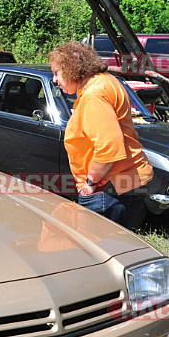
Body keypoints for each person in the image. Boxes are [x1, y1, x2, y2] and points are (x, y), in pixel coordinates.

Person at [48, 41, 153, 228]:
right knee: (120, 246)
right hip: (126, 181)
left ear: (73, 68)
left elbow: (110, 148)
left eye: (57, 72)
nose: (54, 79)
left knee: (96, 251)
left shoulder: (94, 94)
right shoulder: (107, 80)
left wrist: (90, 183)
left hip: (107, 188)